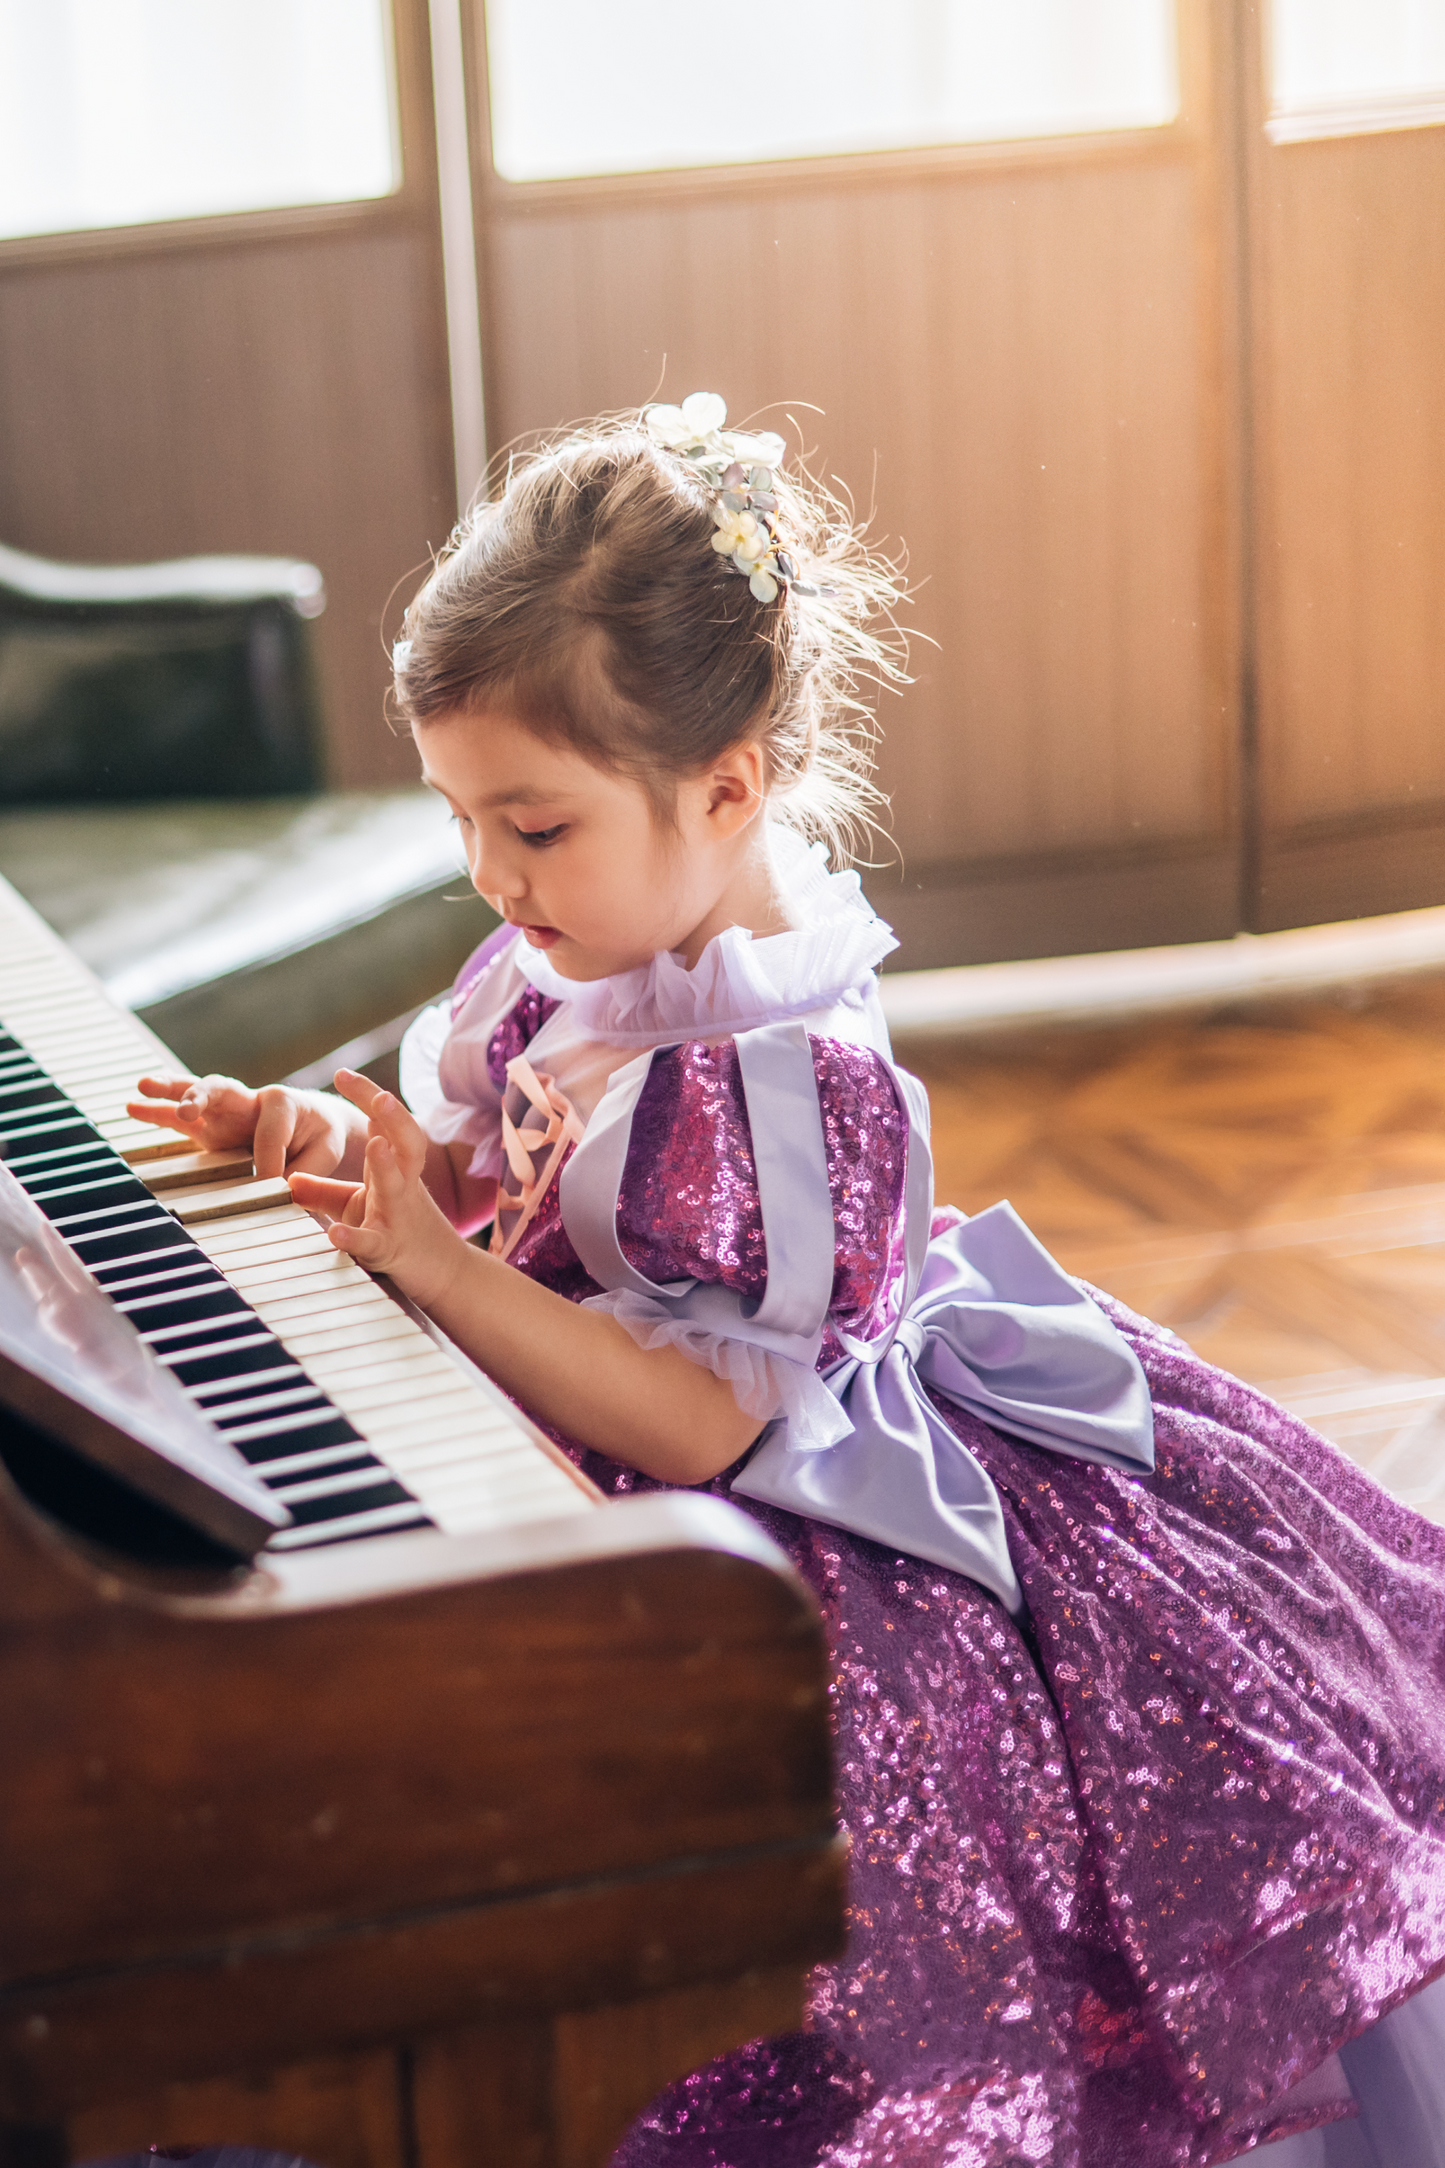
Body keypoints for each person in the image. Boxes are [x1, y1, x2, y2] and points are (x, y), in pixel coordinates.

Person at [129, 395, 1445, 2168]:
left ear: (728, 787)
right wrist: (305, 1131)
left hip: (777, 1507)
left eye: (529, 825)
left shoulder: (786, 1082)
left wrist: (439, 1276)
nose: (488, 876)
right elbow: (480, 1168)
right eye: (461, 822)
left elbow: (703, 1419)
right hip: (572, 1390)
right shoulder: (580, 938)